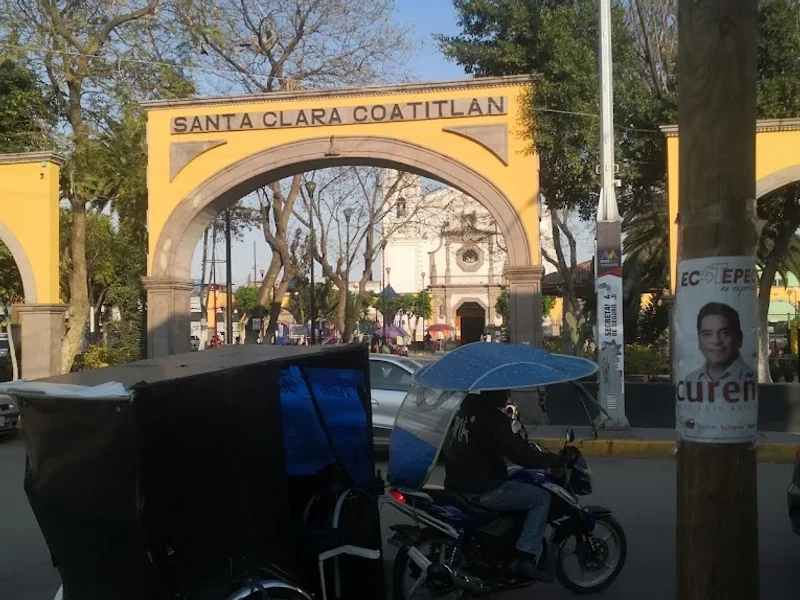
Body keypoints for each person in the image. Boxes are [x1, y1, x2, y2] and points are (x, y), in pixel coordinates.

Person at [444, 389, 567, 581]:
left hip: (457, 483)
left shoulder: (464, 413)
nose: (507, 395)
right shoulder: (492, 419)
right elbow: (519, 454)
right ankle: (524, 556)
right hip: (480, 488)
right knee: (541, 497)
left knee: (514, 481)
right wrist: (553, 460)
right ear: (493, 392)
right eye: (504, 391)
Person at [684, 302, 756, 382]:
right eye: (707, 334)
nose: (716, 341)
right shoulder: (690, 380)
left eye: (724, 333)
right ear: (699, 341)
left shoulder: (753, 379)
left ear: (739, 338)